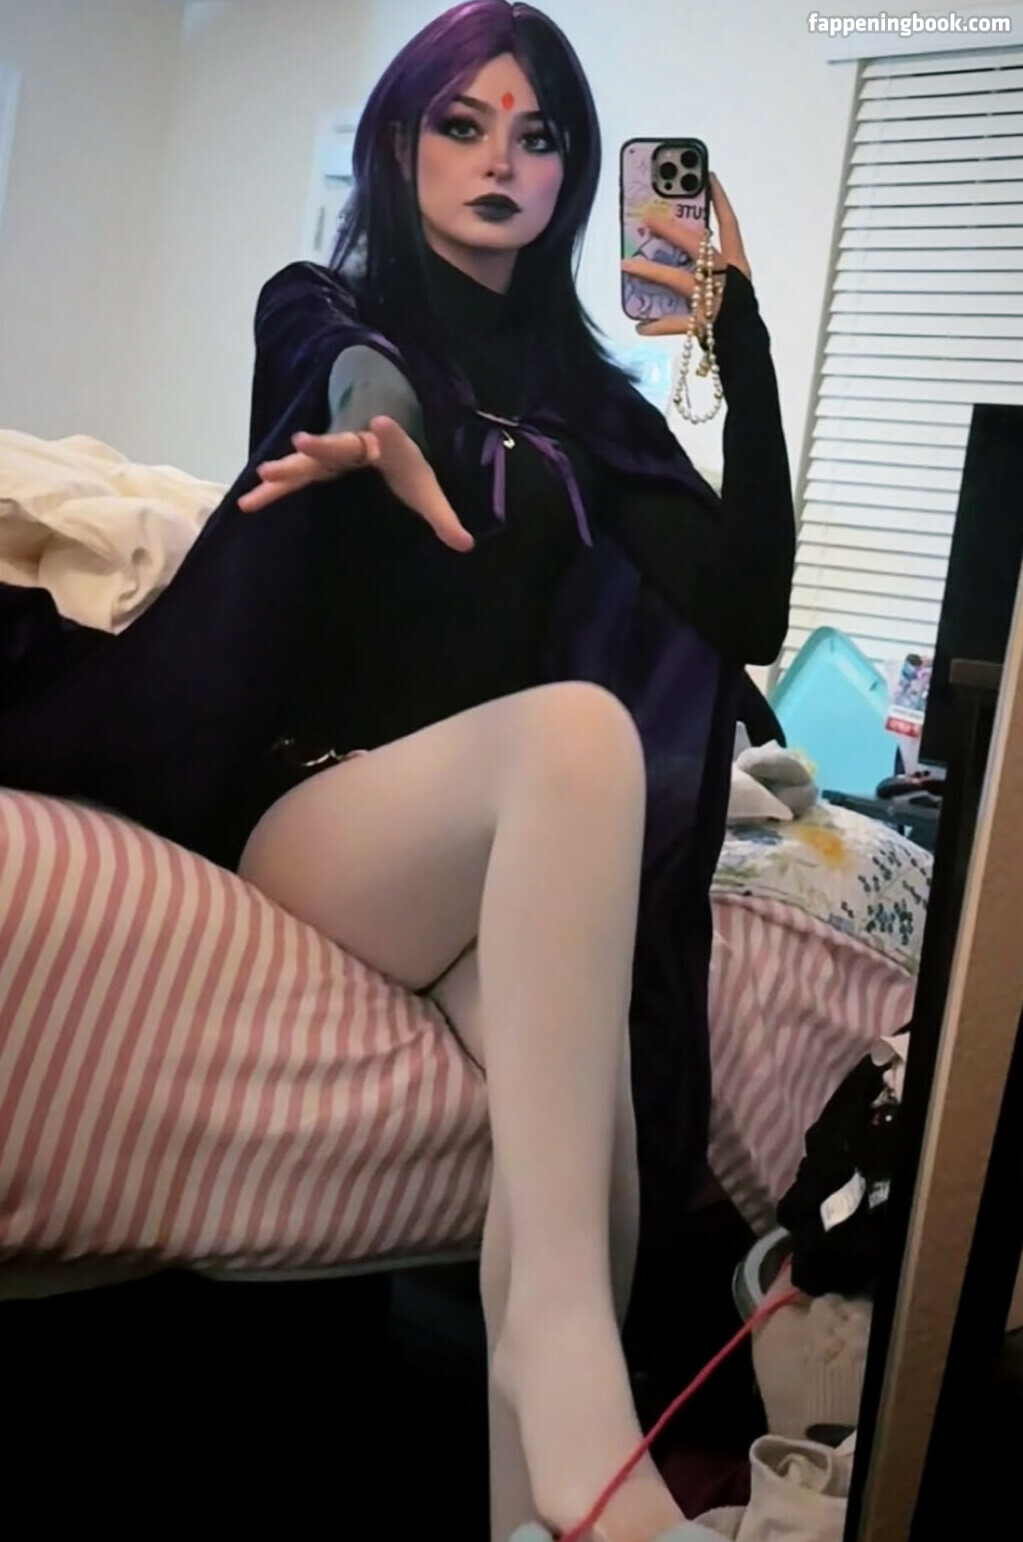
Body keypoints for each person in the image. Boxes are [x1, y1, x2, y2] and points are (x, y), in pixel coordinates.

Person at [0, 3, 793, 1537]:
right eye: (463, 123)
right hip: (319, 810)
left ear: (570, 177)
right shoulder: (322, 306)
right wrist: (377, 436)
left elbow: (746, 601)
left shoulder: (595, 414)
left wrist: (737, 331)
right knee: (582, 728)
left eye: (537, 136)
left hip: (481, 861)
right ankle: (578, 1407)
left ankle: (553, 1506)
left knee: (596, 1154)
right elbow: (349, 371)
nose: (501, 159)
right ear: (401, 141)